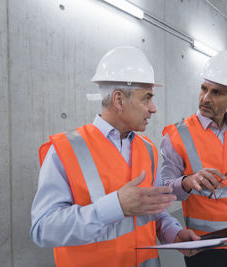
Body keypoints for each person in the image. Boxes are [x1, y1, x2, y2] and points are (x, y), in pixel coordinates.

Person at [30, 46, 199, 267]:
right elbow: (43, 228)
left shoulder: (147, 149)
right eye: (146, 98)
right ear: (119, 100)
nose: (153, 108)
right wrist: (115, 206)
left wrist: (173, 233)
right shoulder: (65, 150)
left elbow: (154, 212)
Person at [160, 50, 227, 267]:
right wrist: (186, 182)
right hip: (204, 245)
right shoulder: (176, 136)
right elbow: (164, 188)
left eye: (217, 93)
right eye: (204, 88)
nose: (205, 99)